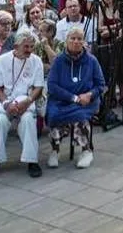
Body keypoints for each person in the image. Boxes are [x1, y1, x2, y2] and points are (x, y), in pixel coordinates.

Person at [0, 30, 44, 178]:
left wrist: (28, 101)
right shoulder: (1, 60)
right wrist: (6, 103)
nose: (29, 50)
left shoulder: (36, 60)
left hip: (26, 98)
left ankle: (32, 161)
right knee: (0, 122)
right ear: (16, 46)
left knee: (28, 121)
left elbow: (38, 87)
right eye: (26, 47)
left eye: (32, 47)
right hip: (4, 98)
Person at [45, 27, 105, 169]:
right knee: (53, 114)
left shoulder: (92, 60)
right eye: (72, 38)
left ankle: (86, 151)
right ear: (66, 41)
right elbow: (52, 85)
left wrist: (89, 95)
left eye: (79, 39)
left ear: (84, 42)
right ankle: (55, 150)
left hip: (86, 101)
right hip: (63, 99)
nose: (76, 41)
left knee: (79, 115)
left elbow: (100, 84)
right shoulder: (59, 60)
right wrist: (73, 98)